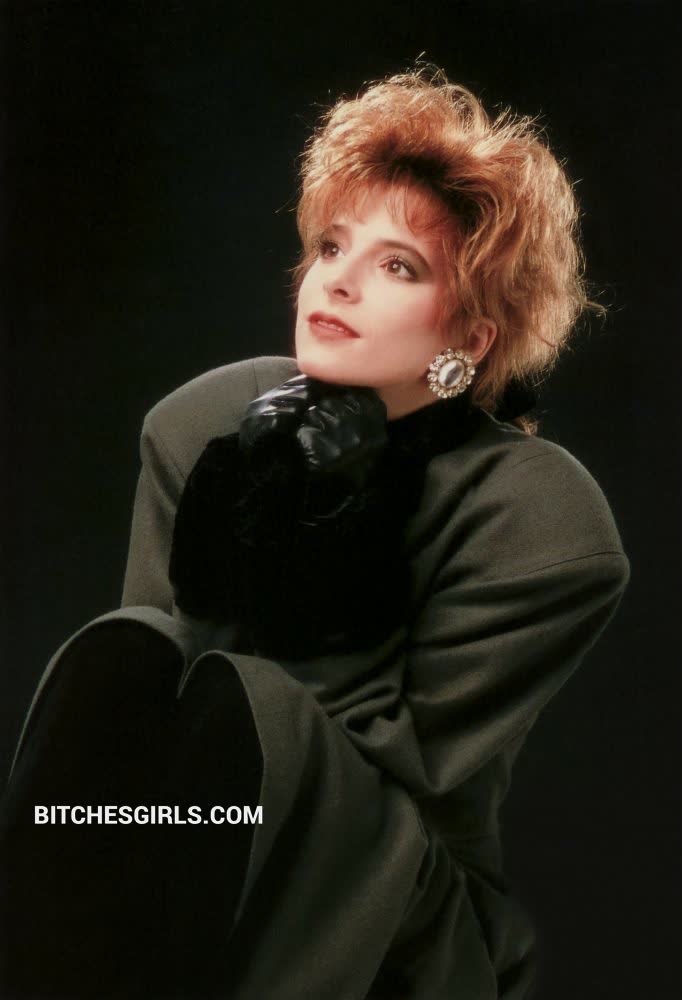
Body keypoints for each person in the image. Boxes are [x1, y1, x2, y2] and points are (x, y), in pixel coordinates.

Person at [0, 65, 630, 999]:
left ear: (471, 342)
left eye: (398, 266)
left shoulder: (538, 521)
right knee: (129, 651)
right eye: (332, 245)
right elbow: (158, 708)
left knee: (253, 702)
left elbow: (404, 763)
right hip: (183, 838)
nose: (338, 280)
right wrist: (257, 489)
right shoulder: (206, 427)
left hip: (378, 895)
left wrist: (339, 514)